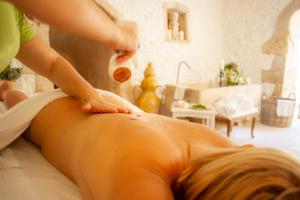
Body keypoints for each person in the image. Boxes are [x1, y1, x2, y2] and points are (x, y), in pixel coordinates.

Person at [1, 84, 300, 200]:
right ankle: (6, 88)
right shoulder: (142, 174)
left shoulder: (228, 152)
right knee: (19, 101)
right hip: (52, 110)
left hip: (117, 109)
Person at [0, 0, 139, 113]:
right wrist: (117, 35)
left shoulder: (13, 14)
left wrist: (92, 96)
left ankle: (5, 90)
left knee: (24, 107)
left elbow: (52, 64)